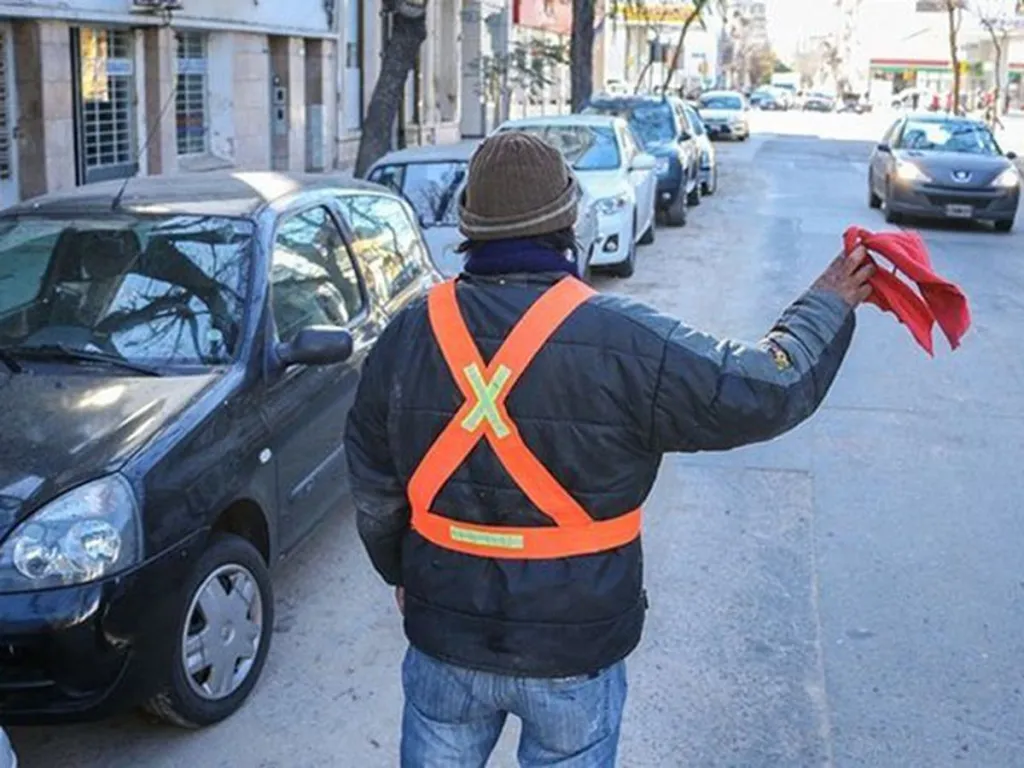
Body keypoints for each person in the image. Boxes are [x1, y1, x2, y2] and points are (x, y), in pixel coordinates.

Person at [344, 131, 874, 767]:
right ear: (568, 220)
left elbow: (374, 482)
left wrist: (401, 573)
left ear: (469, 226)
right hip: (575, 648)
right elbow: (766, 386)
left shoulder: (410, 331)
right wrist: (828, 301)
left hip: (444, 637)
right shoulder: (625, 340)